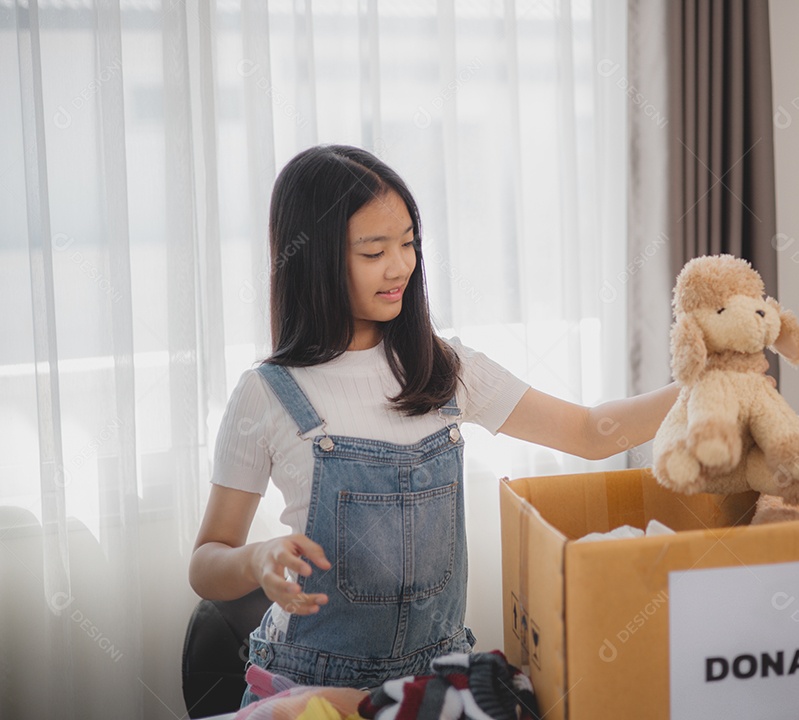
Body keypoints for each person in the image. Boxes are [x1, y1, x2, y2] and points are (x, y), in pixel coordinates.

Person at [188, 145, 678, 704]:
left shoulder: (446, 367)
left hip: (432, 687)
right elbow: (207, 564)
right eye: (374, 251)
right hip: (308, 690)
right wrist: (256, 558)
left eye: (408, 244)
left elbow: (590, 434)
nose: (400, 266)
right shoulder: (267, 393)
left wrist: (700, 387)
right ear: (314, 260)